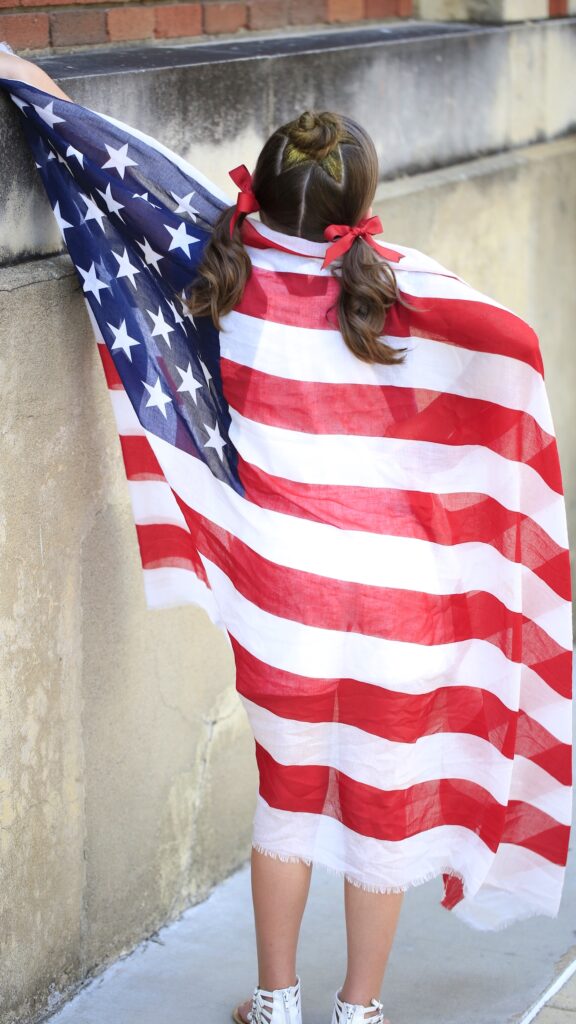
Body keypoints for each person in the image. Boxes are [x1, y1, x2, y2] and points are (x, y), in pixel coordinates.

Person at [0, 44, 572, 1024]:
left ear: (260, 192)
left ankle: (276, 1003)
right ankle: (360, 1011)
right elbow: (514, 340)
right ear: (361, 203)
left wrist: (16, 68)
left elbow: (105, 151)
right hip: (398, 613)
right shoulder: (395, 285)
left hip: (287, 610)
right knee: (382, 811)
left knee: (289, 805)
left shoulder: (228, 263)